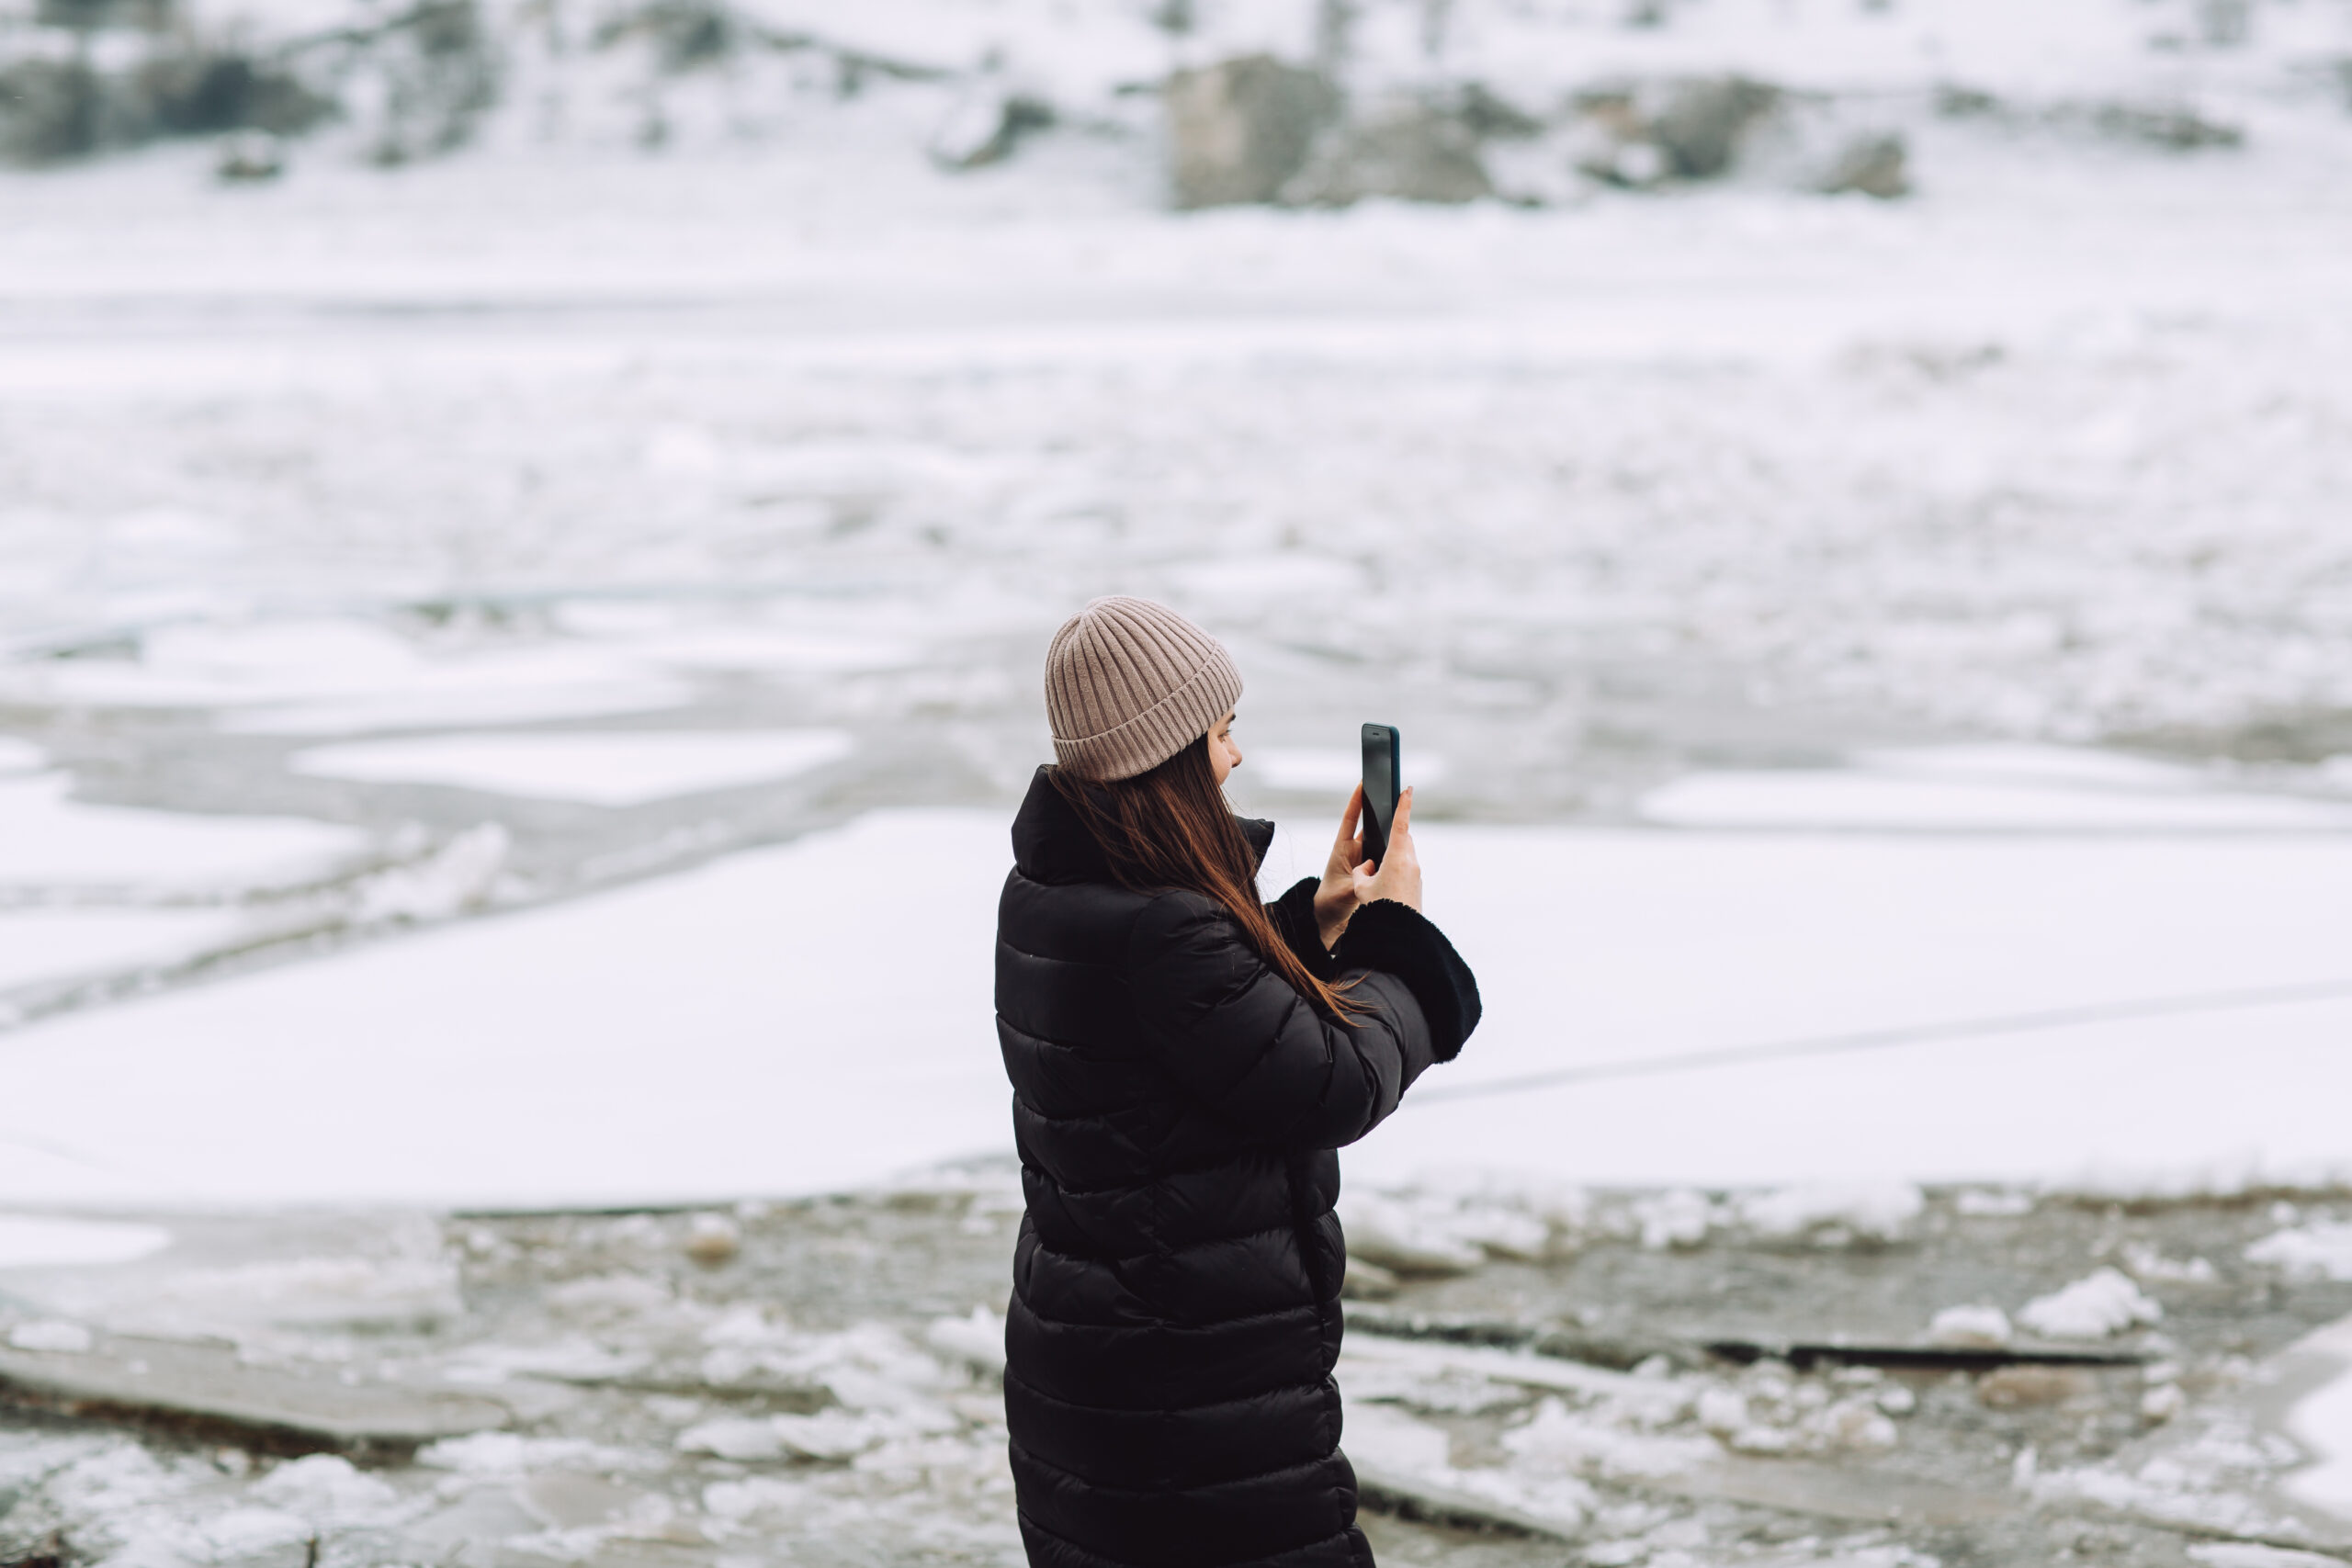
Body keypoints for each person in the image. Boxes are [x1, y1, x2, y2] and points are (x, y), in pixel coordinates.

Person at [996, 595, 1482, 1568]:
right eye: (1222, 733)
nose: (1236, 758)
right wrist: (1396, 941)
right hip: (1188, 1393)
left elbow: (1183, 1032)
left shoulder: (1060, 894)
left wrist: (1314, 923)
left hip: (1109, 1370)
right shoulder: (1164, 930)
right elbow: (1331, 1082)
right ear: (1166, 758)